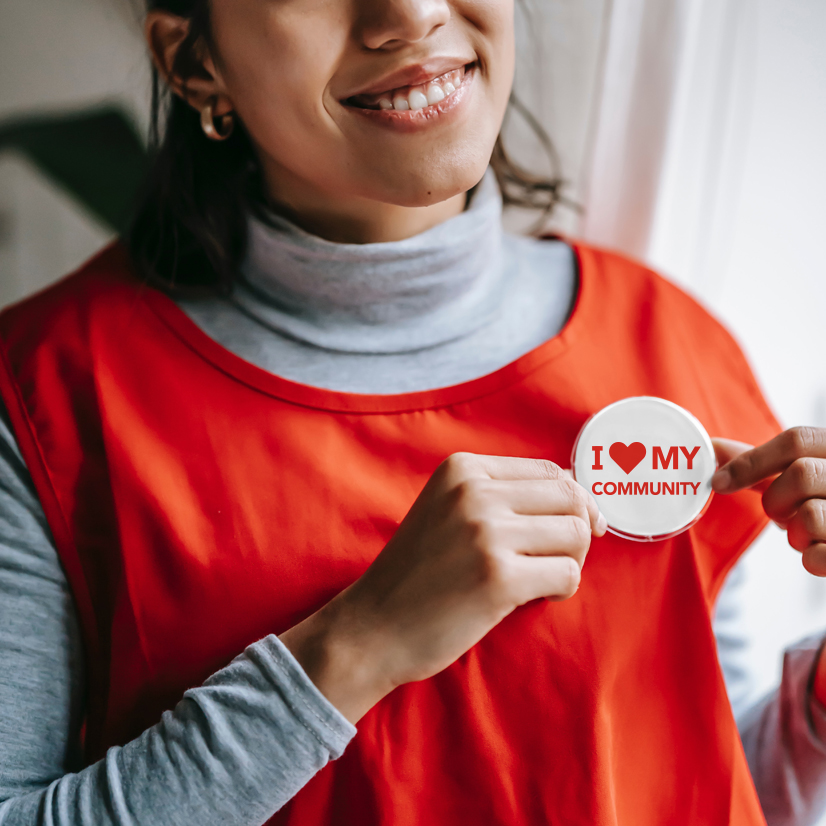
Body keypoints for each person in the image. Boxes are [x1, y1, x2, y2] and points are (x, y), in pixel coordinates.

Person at [0, 0, 825, 824]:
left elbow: (712, 777)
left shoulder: (676, 344)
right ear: (192, 62)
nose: (411, 12)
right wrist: (356, 647)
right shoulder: (42, 401)